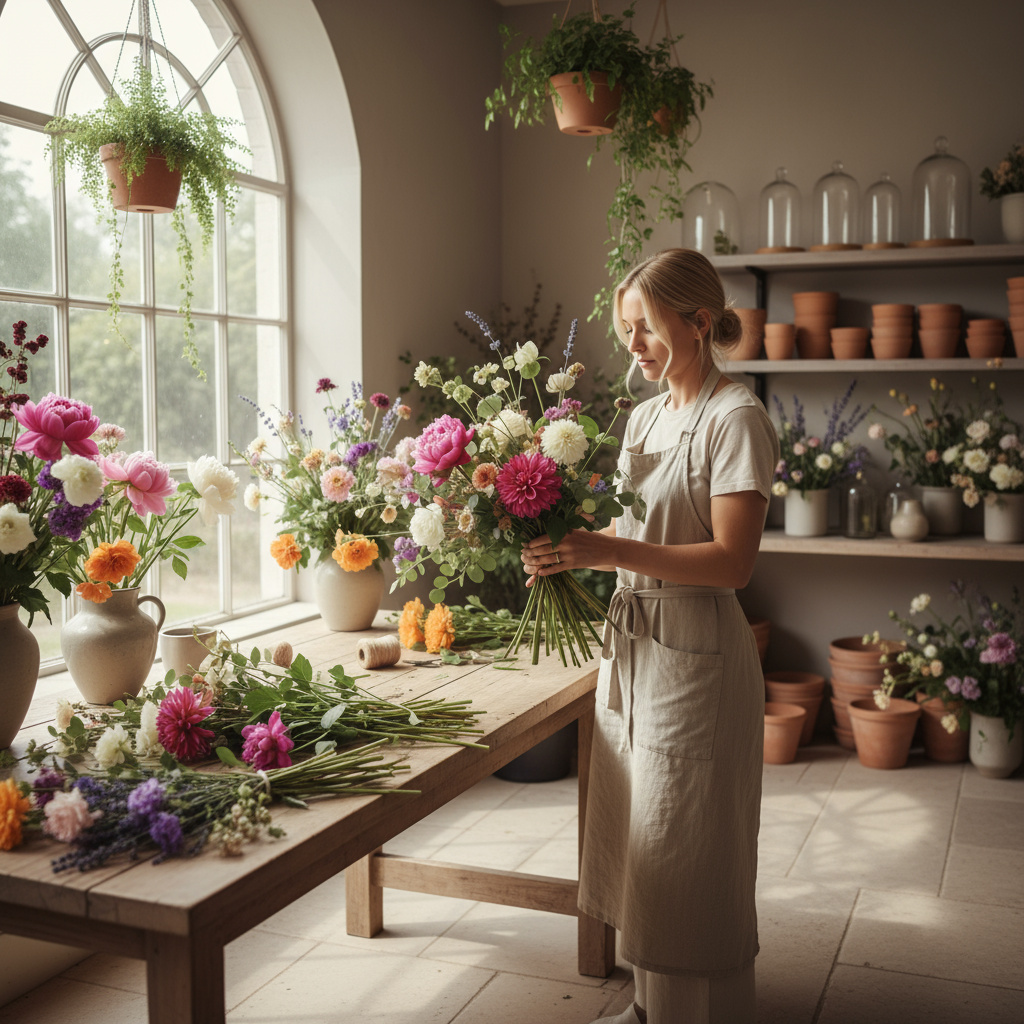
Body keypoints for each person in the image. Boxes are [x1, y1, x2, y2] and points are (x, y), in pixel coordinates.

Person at [521, 248, 779, 1024]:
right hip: (634, 645)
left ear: (698, 323)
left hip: (698, 652)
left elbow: (732, 563)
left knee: (691, 843)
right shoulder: (645, 416)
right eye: (625, 328)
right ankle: (650, 1005)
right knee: (643, 837)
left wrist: (607, 552)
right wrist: (567, 547)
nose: (631, 344)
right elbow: (636, 533)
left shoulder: (736, 419)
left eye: (646, 327)